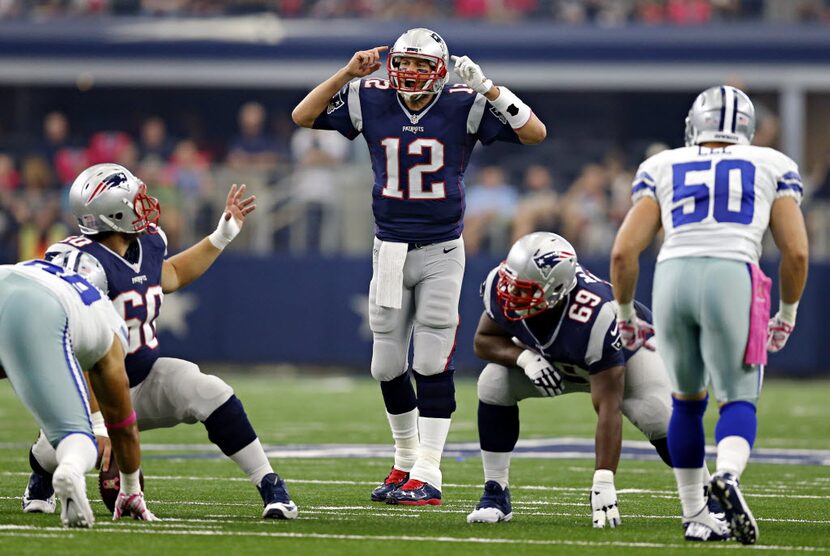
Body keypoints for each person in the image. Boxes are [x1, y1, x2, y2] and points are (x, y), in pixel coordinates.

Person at [292, 27, 546, 505]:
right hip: (388, 247)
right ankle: (404, 460)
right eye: (403, 63)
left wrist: (489, 88)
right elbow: (303, 115)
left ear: (439, 70)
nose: (409, 72)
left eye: (420, 65)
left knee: (430, 359)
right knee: (385, 363)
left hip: (441, 250)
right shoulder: (369, 95)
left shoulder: (462, 101)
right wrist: (347, 71)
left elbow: (535, 133)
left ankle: (429, 471)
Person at [21, 163, 298, 520]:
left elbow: (172, 273)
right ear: (115, 212)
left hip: (143, 376)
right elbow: (74, 349)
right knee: (62, 448)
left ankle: (270, 484)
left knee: (210, 390)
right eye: (134, 199)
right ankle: (42, 472)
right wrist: (97, 422)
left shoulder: (148, 241)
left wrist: (221, 236)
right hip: (89, 389)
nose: (144, 203)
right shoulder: (82, 264)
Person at [610, 85, 809, 545]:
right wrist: (788, 311)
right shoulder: (773, 163)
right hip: (731, 274)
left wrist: (625, 310)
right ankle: (730, 476)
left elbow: (623, 252)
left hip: (672, 274)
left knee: (685, 402)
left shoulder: (661, 164)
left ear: (693, 125)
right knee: (738, 397)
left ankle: (695, 514)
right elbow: (796, 252)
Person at [466, 232, 726, 538]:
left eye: (525, 291)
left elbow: (608, 405)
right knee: (493, 382)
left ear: (557, 289)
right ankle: (496, 492)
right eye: (511, 284)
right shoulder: (502, 284)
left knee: (658, 415)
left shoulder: (596, 314)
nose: (511, 295)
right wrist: (526, 359)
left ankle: (709, 496)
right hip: (555, 361)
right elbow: (484, 340)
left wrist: (603, 481)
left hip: (627, 356)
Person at [1, 259, 155, 527]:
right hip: (38, 312)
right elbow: (123, 426)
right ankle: (70, 471)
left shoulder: (38, 267)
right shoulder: (104, 318)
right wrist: (129, 487)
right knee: (78, 438)